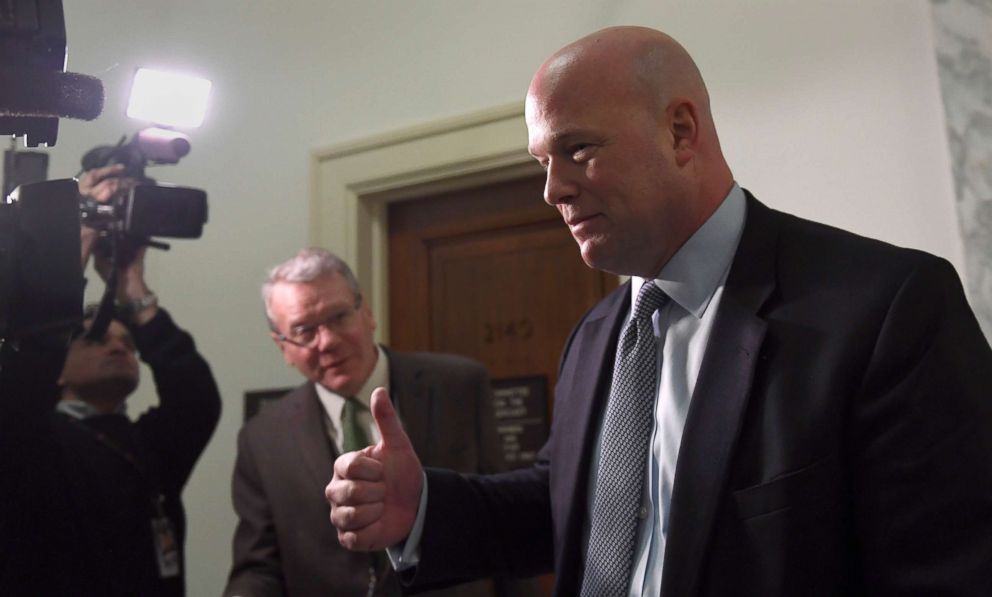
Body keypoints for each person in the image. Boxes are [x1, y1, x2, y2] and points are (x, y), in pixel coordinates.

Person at [325, 26, 992, 597]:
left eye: (578, 148)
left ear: (680, 131)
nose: (553, 189)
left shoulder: (887, 308)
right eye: (542, 160)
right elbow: (565, 506)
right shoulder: (595, 334)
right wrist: (425, 509)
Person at [225, 247, 531, 597]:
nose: (328, 342)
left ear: (366, 312)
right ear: (283, 347)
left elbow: (503, 519)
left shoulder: (459, 386)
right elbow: (258, 567)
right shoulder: (262, 439)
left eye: (338, 317)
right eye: (305, 330)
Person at [0, 163, 222, 597]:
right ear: (57, 367)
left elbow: (195, 399)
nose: (118, 346)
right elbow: (21, 382)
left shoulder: (144, 447)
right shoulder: (30, 439)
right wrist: (69, 244)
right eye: (96, 336)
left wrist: (131, 288)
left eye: (128, 339)